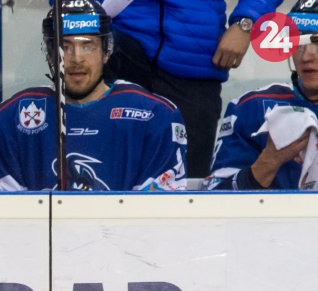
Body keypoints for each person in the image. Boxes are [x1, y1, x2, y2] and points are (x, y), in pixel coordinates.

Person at [0, 0, 186, 192]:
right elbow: (1, 209)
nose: (76, 58)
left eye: (88, 46)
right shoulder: (12, 117)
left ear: (106, 51)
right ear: (50, 54)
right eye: (65, 46)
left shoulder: (155, 116)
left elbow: (157, 212)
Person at [104, 0, 282, 178]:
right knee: (104, 172)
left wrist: (246, 22)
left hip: (195, 61)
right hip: (122, 49)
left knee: (189, 182)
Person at [205, 3, 318, 190]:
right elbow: (213, 196)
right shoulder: (252, 107)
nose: (306, 57)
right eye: (298, 43)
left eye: (317, 43)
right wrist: (270, 161)